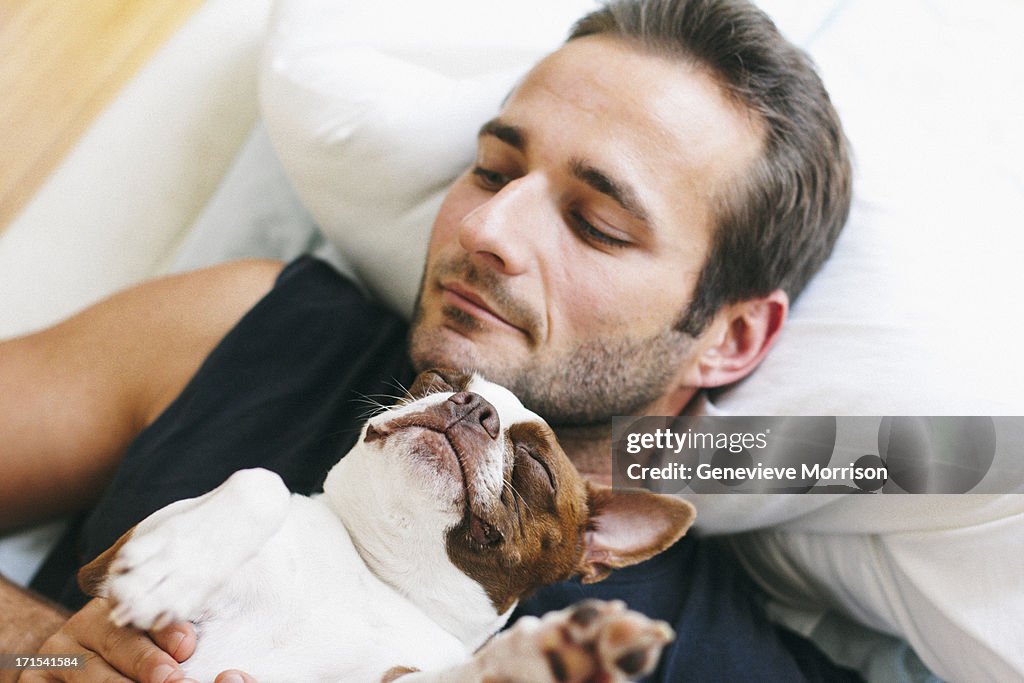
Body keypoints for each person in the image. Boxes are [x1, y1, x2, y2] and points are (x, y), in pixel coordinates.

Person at [0, 0, 855, 681]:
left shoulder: (693, 653)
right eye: (492, 168)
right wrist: (40, 652)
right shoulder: (247, 327)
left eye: (596, 224)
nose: (488, 226)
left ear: (731, 337)